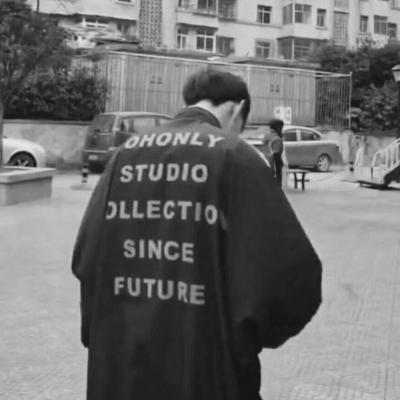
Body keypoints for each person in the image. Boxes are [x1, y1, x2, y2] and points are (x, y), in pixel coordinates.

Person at [72, 69, 322, 400]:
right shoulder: (236, 156)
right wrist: (249, 339)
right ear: (237, 108)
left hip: (122, 368)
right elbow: (291, 273)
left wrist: (103, 334)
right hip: (208, 369)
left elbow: (87, 257)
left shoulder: (124, 155)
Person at [268, 119, 284, 186]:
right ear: (278, 127)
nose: (282, 129)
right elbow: (276, 154)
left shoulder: (267, 136)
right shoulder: (277, 139)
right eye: (281, 127)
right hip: (274, 164)